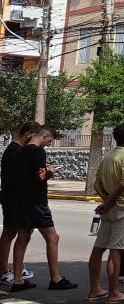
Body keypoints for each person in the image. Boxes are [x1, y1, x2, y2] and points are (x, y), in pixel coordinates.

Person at [10, 124, 76, 292]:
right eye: (50, 140)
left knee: (22, 238)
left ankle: (17, 280)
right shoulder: (38, 151)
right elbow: (39, 177)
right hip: (37, 202)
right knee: (53, 237)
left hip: (22, 202)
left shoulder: (20, 151)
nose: (49, 144)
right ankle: (56, 278)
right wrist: (50, 172)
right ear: (44, 136)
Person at [87, 123, 124, 304]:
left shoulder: (109, 155)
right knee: (116, 252)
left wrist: (106, 200)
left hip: (110, 208)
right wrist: (109, 201)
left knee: (99, 248)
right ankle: (114, 293)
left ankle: (95, 289)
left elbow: (97, 183)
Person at [0, 121, 36, 286]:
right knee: (12, 234)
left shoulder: (13, 150)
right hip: (15, 199)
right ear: (29, 134)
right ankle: (5, 270)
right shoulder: (17, 151)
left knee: (10, 233)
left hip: (11, 197)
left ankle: (12, 268)